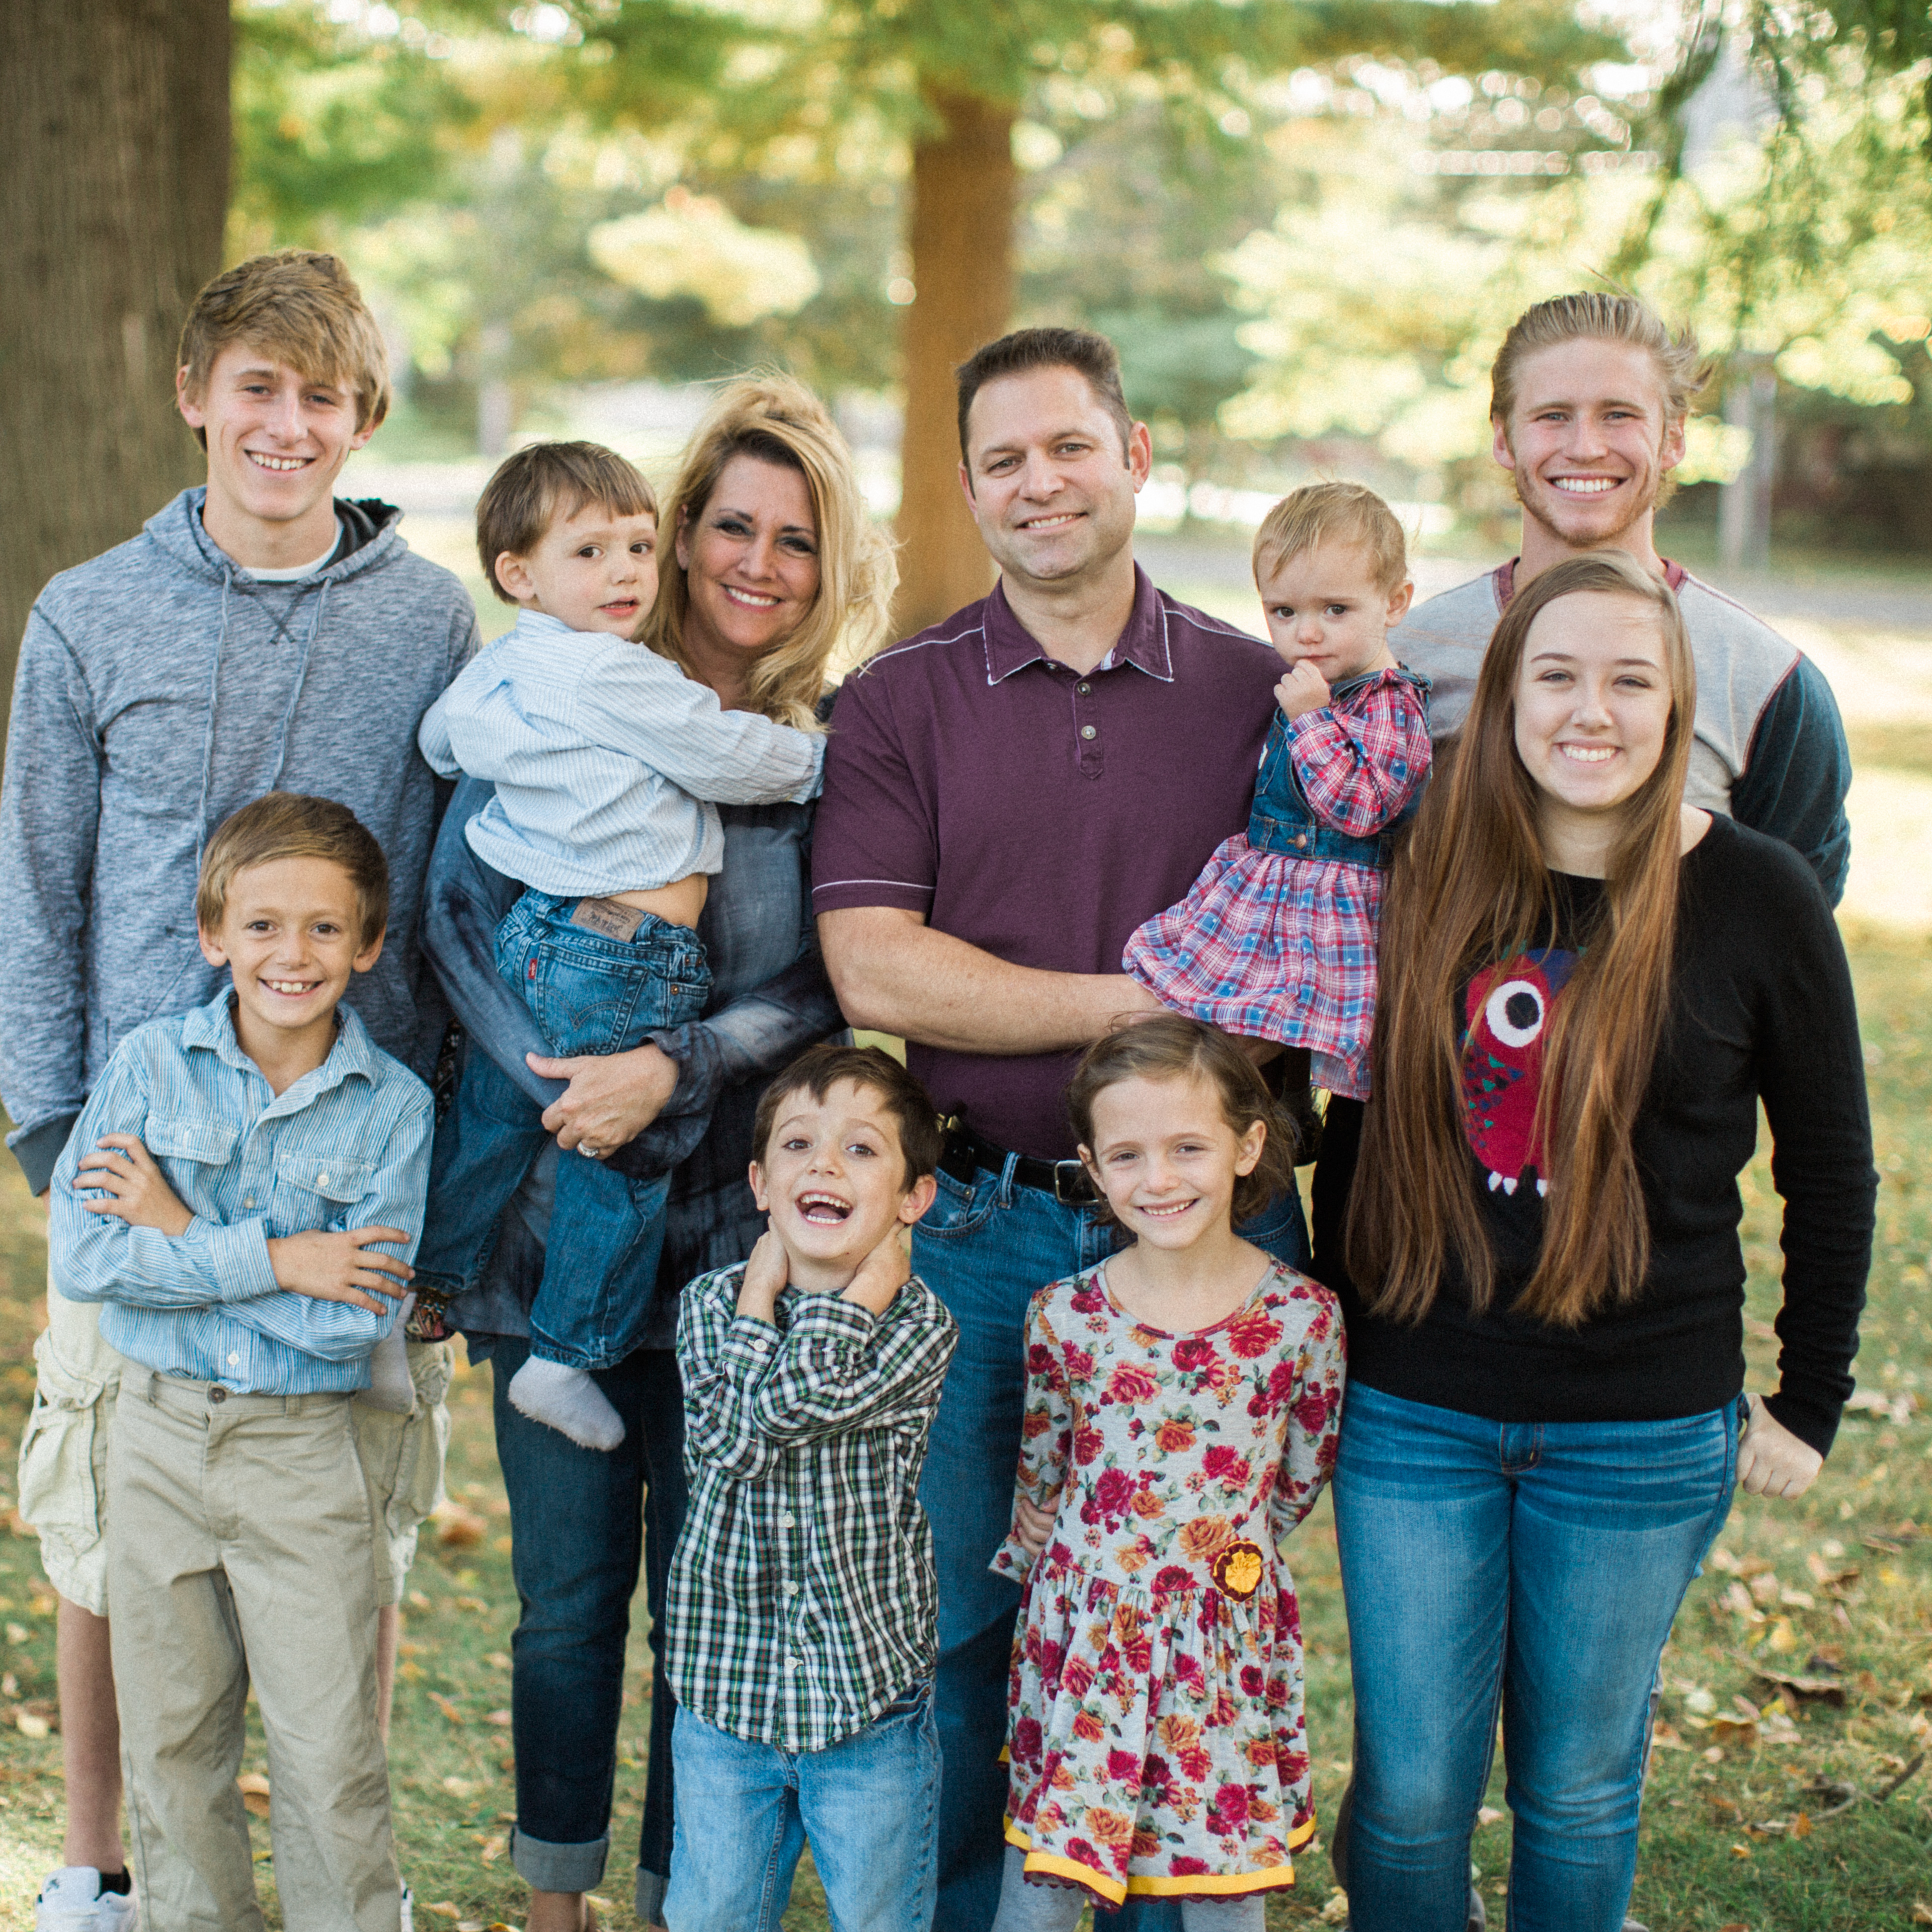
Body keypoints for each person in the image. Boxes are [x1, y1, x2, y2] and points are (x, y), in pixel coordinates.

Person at [814, 325, 1313, 1930]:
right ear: (968, 490)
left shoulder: (1258, 693)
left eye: (1068, 446)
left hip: (1216, 1245)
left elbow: (1327, 927)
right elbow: (875, 961)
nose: (1039, 481)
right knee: (960, 1617)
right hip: (980, 1225)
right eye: (1004, 459)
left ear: (1134, 455)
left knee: (1198, 1616)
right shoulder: (897, 697)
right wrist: (1146, 1005)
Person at [1, 248, 475, 1932]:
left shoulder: (423, 618)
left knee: (343, 1502)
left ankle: (344, 1866)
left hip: (349, 1144)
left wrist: (432, 1166)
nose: (288, 424)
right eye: (257, 388)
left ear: (360, 423)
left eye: (322, 397)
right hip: (139, 1144)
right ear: (197, 395)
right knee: (111, 1519)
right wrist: (59, 1136)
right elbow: (37, 882)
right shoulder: (87, 612)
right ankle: (102, 1862)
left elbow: (433, 889)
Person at [1320, 551, 1876, 1931]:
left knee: (1576, 1790)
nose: (1593, 709)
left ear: (1679, 707)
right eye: (1557, 675)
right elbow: (1353, 1120)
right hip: (1417, 1409)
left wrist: (1808, 1398)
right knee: (1410, 1794)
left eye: (1633, 679)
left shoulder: (1758, 898)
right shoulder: (1423, 859)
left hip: (1641, 1424)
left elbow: (1831, 1164)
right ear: (1504, 698)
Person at [427, 373, 890, 1932]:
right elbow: (453, 914)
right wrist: (570, 1081)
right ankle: (555, 1901)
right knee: (566, 1606)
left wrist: (667, 1068)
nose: (758, 561)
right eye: (731, 524)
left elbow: (822, 990)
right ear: (678, 531)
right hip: (550, 1228)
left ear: (831, 570)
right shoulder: (553, 684)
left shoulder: (819, 752)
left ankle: (685, 1894)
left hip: (726, 1255)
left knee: (709, 1610)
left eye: (799, 540)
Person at [47, 795, 432, 1931]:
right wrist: (274, 1255)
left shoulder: (394, 1108)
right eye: (263, 925)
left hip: (301, 1455)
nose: (291, 954)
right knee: (172, 1744)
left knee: (327, 1756)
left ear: (366, 945)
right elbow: (85, 1251)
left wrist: (173, 1229)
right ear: (215, 932)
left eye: (324, 929)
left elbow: (343, 1326)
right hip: (156, 1435)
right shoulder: (148, 1065)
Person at [414, 440, 825, 1451]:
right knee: (623, 1152)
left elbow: (439, 739)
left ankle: (422, 1293)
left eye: (637, 546)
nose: (625, 572)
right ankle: (565, 1352)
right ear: (520, 574)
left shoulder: (504, 670)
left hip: (542, 937)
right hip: (624, 951)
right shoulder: (620, 676)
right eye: (590, 552)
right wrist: (825, 760)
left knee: (496, 1123)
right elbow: (728, 755)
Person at [989, 1017, 1344, 1927]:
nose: (1160, 1179)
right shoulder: (1064, 1317)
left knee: (1221, 1887)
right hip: (1089, 1641)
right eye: (1129, 1155)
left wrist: (1216, 1555)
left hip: (1220, 1646)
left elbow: (1300, 1473)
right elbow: (1045, 1461)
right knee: (1042, 1884)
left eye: (1188, 1147)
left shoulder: (1303, 1319)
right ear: (1094, 1167)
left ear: (1247, 1144)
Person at [1397, 291, 1851, 904]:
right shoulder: (1406, 662)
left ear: (1673, 440)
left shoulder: (1767, 682)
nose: (1585, 446)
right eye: (1553, 415)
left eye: (1619, 415)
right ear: (1504, 439)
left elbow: (1792, 939)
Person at [661, 1043, 956, 1930]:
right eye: (797, 1146)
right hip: (725, 1696)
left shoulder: (919, 1328)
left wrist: (821, 1304)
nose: (824, 1164)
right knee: (713, 1913)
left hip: (866, 1705)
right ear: (759, 1183)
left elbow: (791, 1408)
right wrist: (754, 1300)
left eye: (862, 1150)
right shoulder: (709, 1305)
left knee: (877, 1917)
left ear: (914, 1200)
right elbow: (724, 1443)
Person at [1126, 483, 1431, 1100]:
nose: (1307, 633)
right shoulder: (1310, 684)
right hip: (1273, 883)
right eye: (1284, 612)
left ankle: (1288, 1112)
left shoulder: (1392, 706)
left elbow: (1362, 808)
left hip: (1335, 898)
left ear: (1395, 602)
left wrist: (1315, 720)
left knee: (1295, 1030)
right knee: (1215, 1012)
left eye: (1336, 611)